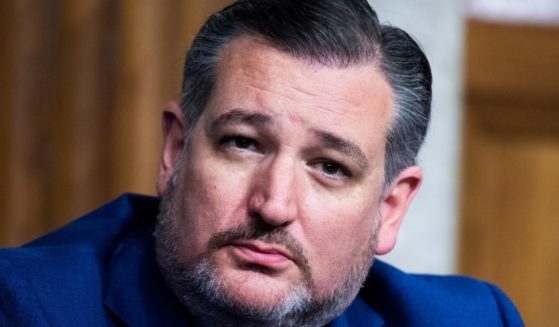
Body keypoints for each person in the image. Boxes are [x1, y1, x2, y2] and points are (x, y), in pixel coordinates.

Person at [0, 0, 523, 326]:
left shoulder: (471, 320)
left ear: (389, 207)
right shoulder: (25, 307)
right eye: (243, 143)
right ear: (176, 151)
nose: (272, 205)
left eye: (330, 167)